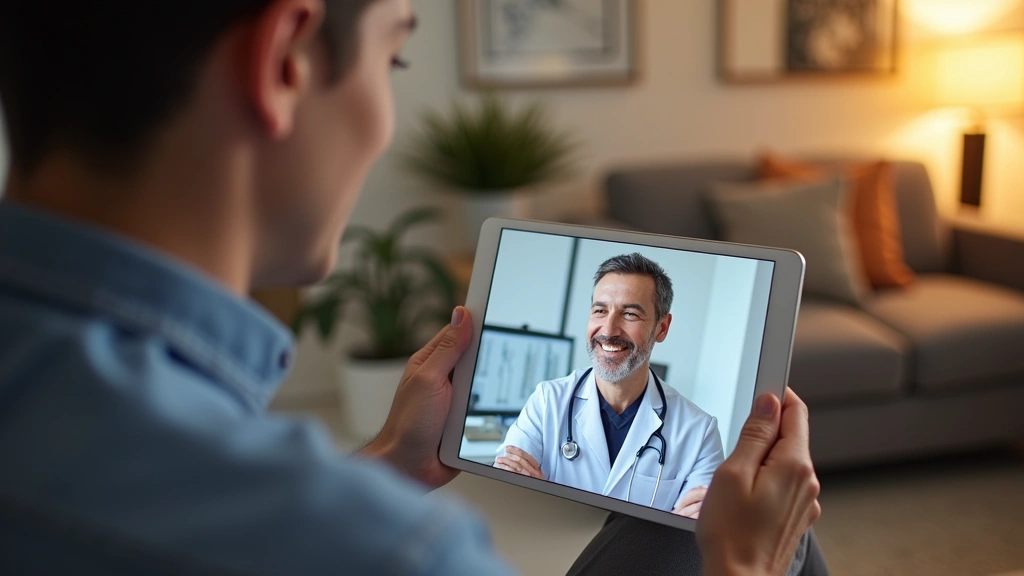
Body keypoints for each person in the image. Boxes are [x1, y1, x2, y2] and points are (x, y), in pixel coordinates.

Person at [0, 1, 825, 574]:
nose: (610, 329)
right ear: (285, 59)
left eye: (629, 314)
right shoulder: (397, 555)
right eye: (393, 57)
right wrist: (743, 566)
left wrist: (390, 462)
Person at [496, 253, 723, 518]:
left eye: (629, 314)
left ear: (662, 328)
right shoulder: (548, 401)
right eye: (600, 311)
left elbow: (700, 529)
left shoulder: (699, 432)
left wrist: (542, 494)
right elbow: (506, 492)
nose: (609, 329)